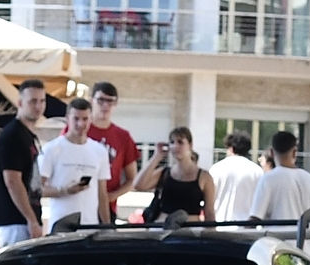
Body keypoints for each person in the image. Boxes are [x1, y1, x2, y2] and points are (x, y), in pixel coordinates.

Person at [37, 98, 110, 230]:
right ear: (67, 119)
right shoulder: (52, 149)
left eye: (85, 119)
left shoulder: (99, 151)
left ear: (91, 119)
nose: (80, 124)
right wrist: (64, 190)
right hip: (60, 223)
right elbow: (37, 189)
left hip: (89, 225)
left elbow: (102, 193)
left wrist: (107, 226)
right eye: (76, 119)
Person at [0, 78, 46, 248]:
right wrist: (31, 220)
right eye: (33, 101)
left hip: (25, 221)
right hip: (15, 222)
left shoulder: (27, 135)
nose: (38, 106)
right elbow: (13, 181)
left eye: (42, 101)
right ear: (20, 103)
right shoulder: (12, 135)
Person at [131, 126, 215, 221]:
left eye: (180, 142)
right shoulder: (165, 173)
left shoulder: (204, 177)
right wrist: (156, 157)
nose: (175, 146)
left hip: (190, 229)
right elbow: (138, 185)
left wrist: (210, 234)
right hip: (162, 227)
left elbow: (209, 212)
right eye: (172, 142)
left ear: (190, 145)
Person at [87, 81, 140, 221]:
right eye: (101, 100)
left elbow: (132, 179)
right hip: (79, 203)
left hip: (107, 207)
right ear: (91, 101)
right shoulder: (78, 130)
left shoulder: (123, 137)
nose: (105, 106)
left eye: (110, 101)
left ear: (115, 105)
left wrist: (111, 196)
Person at [251, 130, 310, 222]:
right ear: (294, 152)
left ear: (272, 152)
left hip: (276, 235)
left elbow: (255, 218)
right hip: (306, 236)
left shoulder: (267, 180)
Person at [209, 131, 260, 223]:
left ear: (231, 148)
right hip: (246, 227)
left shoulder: (216, 169)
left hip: (219, 225)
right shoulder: (257, 171)